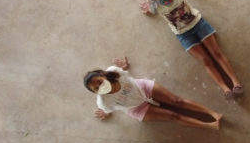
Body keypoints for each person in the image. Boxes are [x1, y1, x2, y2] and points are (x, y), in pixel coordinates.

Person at [139, 0, 244, 100]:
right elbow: (153, 11)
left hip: (199, 24)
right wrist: (148, 11)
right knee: (205, 60)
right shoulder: (157, 7)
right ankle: (225, 89)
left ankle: (236, 83)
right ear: (155, 0)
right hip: (183, 35)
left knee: (216, 53)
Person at [84, 56, 222, 130]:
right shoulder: (103, 102)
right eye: (96, 88)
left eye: (98, 81)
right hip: (136, 108)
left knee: (176, 101)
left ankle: (213, 113)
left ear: (102, 74)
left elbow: (124, 72)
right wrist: (105, 113)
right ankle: (209, 125)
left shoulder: (115, 72)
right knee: (173, 116)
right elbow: (108, 109)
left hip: (142, 88)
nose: (100, 86)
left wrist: (124, 66)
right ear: (95, 93)